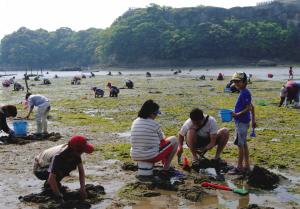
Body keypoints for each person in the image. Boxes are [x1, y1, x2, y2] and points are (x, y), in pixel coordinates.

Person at [33, 135, 93, 200]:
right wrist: (59, 196)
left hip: (49, 165)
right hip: (39, 167)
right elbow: (51, 178)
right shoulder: (59, 156)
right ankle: (50, 186)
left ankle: (51, 185)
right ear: (75, 150)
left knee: (69, 166)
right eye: (81, 151)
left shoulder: (75, 153)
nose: (81, 153)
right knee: (59, 171)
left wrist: (82, 189)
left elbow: (81, 172)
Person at [130, 100, 178, 177]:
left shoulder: (135, 121)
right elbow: (162, 142)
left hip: (135, 155)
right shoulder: (155, 124)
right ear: (152, 113)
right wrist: (164, 157)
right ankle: (166, 168)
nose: (156, 116)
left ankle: (150, 164)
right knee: (174, 140)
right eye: (155, 114)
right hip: (151, 156)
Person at [229, 72, 256, 175]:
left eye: (238, 82)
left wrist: (237, 114)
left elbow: (248, 108)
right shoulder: (243, 92)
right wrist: (253, 120)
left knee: (240, 145)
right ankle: (247, 165)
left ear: (245, 82)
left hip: (242, 122)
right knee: (243, 144)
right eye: (234, 81)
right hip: (241, 121)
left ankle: (239, 167)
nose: (236, 84)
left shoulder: (245, 93)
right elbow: (252, 107)